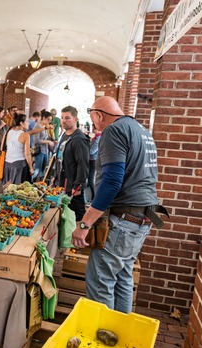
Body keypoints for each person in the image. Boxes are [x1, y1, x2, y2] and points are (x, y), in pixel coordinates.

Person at [72, 96, 163, 314]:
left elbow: (111, 183)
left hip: (122, 221)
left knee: (101, 282)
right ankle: (119, 336)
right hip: (142, 218)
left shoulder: (113, 131)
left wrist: (84, 225)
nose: (93, 124)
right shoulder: (140, 129)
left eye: (92, 118)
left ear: (98, 115)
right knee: (123, 279)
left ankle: (102, 341)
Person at [59, 106, 90, 221]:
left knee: (75, 217)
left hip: (73, 186)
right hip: (63, 183)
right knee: (65, 217)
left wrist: (78, 186)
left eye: (67, 118)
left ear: (75, 119)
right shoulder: (64, 135)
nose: (63, 121)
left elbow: (83, 164)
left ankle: (78, 238)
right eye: (62, 118)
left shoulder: (79, 139)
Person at [2, 114, 34, 185]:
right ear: (21, 123)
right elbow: (27, 153)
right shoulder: (25, 135)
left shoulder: (8, 132)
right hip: (19, 164)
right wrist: (31, 168)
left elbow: (2, 147)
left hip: (7, 164)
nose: (28, 123)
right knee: (19, 189)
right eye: (27, 121)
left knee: (8, 188)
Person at [32, 110, 54, 181]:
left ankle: (41, 185)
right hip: (39, 151)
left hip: (45, 151)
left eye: (50, 120)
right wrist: (48, 141)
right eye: (48, 119)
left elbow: (44, 138)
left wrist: (51, 140)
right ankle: (33, 185)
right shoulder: (37, 126)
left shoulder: (45, 127)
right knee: (37, 170)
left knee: (43, 171)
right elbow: (37, 140)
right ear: (43, 118)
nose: (49, 122)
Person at [87, 127, 102, 200]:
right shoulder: (95, 138)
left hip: (93, 161)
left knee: (91, 180)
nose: (93, 130)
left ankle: (94, 197)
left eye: (94, 129)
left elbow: (91, 151)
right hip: (92, 160)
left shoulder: (98, 139)